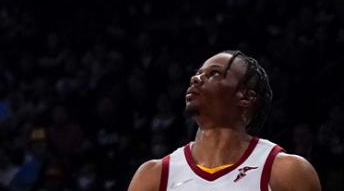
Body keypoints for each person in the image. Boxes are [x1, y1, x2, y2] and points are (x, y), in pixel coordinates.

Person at [127, 51, 321, 191]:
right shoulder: (154, 176)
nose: (196, 78)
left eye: (214, 73)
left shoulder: (285, 171)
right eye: (198, 73)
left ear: (245, 97)